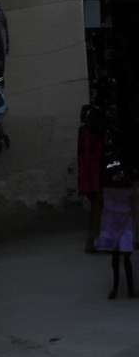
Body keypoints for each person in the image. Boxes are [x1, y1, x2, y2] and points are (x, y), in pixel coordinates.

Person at [95, 160, 136, 298]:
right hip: (120, 222)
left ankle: (117, 289)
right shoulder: (125, 187)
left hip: (115, 222)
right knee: (124, 258)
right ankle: (126, 290)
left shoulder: (108, 189)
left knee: (117, 258)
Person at [80, 106, 109, 252]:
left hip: (88, 175)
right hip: (95, 175)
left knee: (95, 210)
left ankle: (92, 242)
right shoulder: (96, 134)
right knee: (99, 209)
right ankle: (96, 242)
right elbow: (98, 158)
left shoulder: (84, 132)